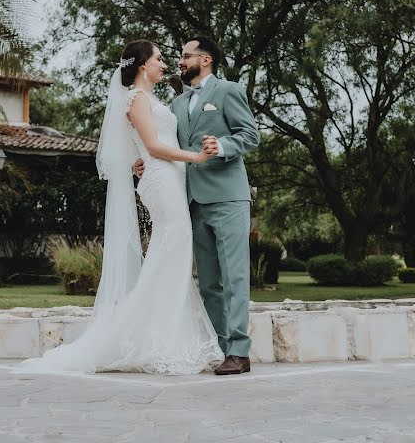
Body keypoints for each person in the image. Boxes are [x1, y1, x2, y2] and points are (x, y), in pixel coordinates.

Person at [13, 39, 224, 375]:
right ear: (142, 65)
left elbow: (139, 148)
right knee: (173, 250)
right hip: (163, 181)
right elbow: (154, 146)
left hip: (166, 178)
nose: (164, 64)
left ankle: (161, 336)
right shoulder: (137, 99)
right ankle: (159, 339)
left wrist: (139, 162)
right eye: (158, 59)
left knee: (170, 254)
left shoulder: (148, 98)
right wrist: (195, 157)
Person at [137, 36, 260, 375]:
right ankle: (222, 348)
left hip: (228, 197)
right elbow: (168, 147)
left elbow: (250, 134)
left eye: (185, 56)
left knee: (235, 277)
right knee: (208, 283)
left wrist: (221, 145)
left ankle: (239, 351)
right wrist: (145, 162)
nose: (179, 61)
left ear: (205, 60)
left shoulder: (228, 91)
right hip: (191, 200)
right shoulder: (177, 104)